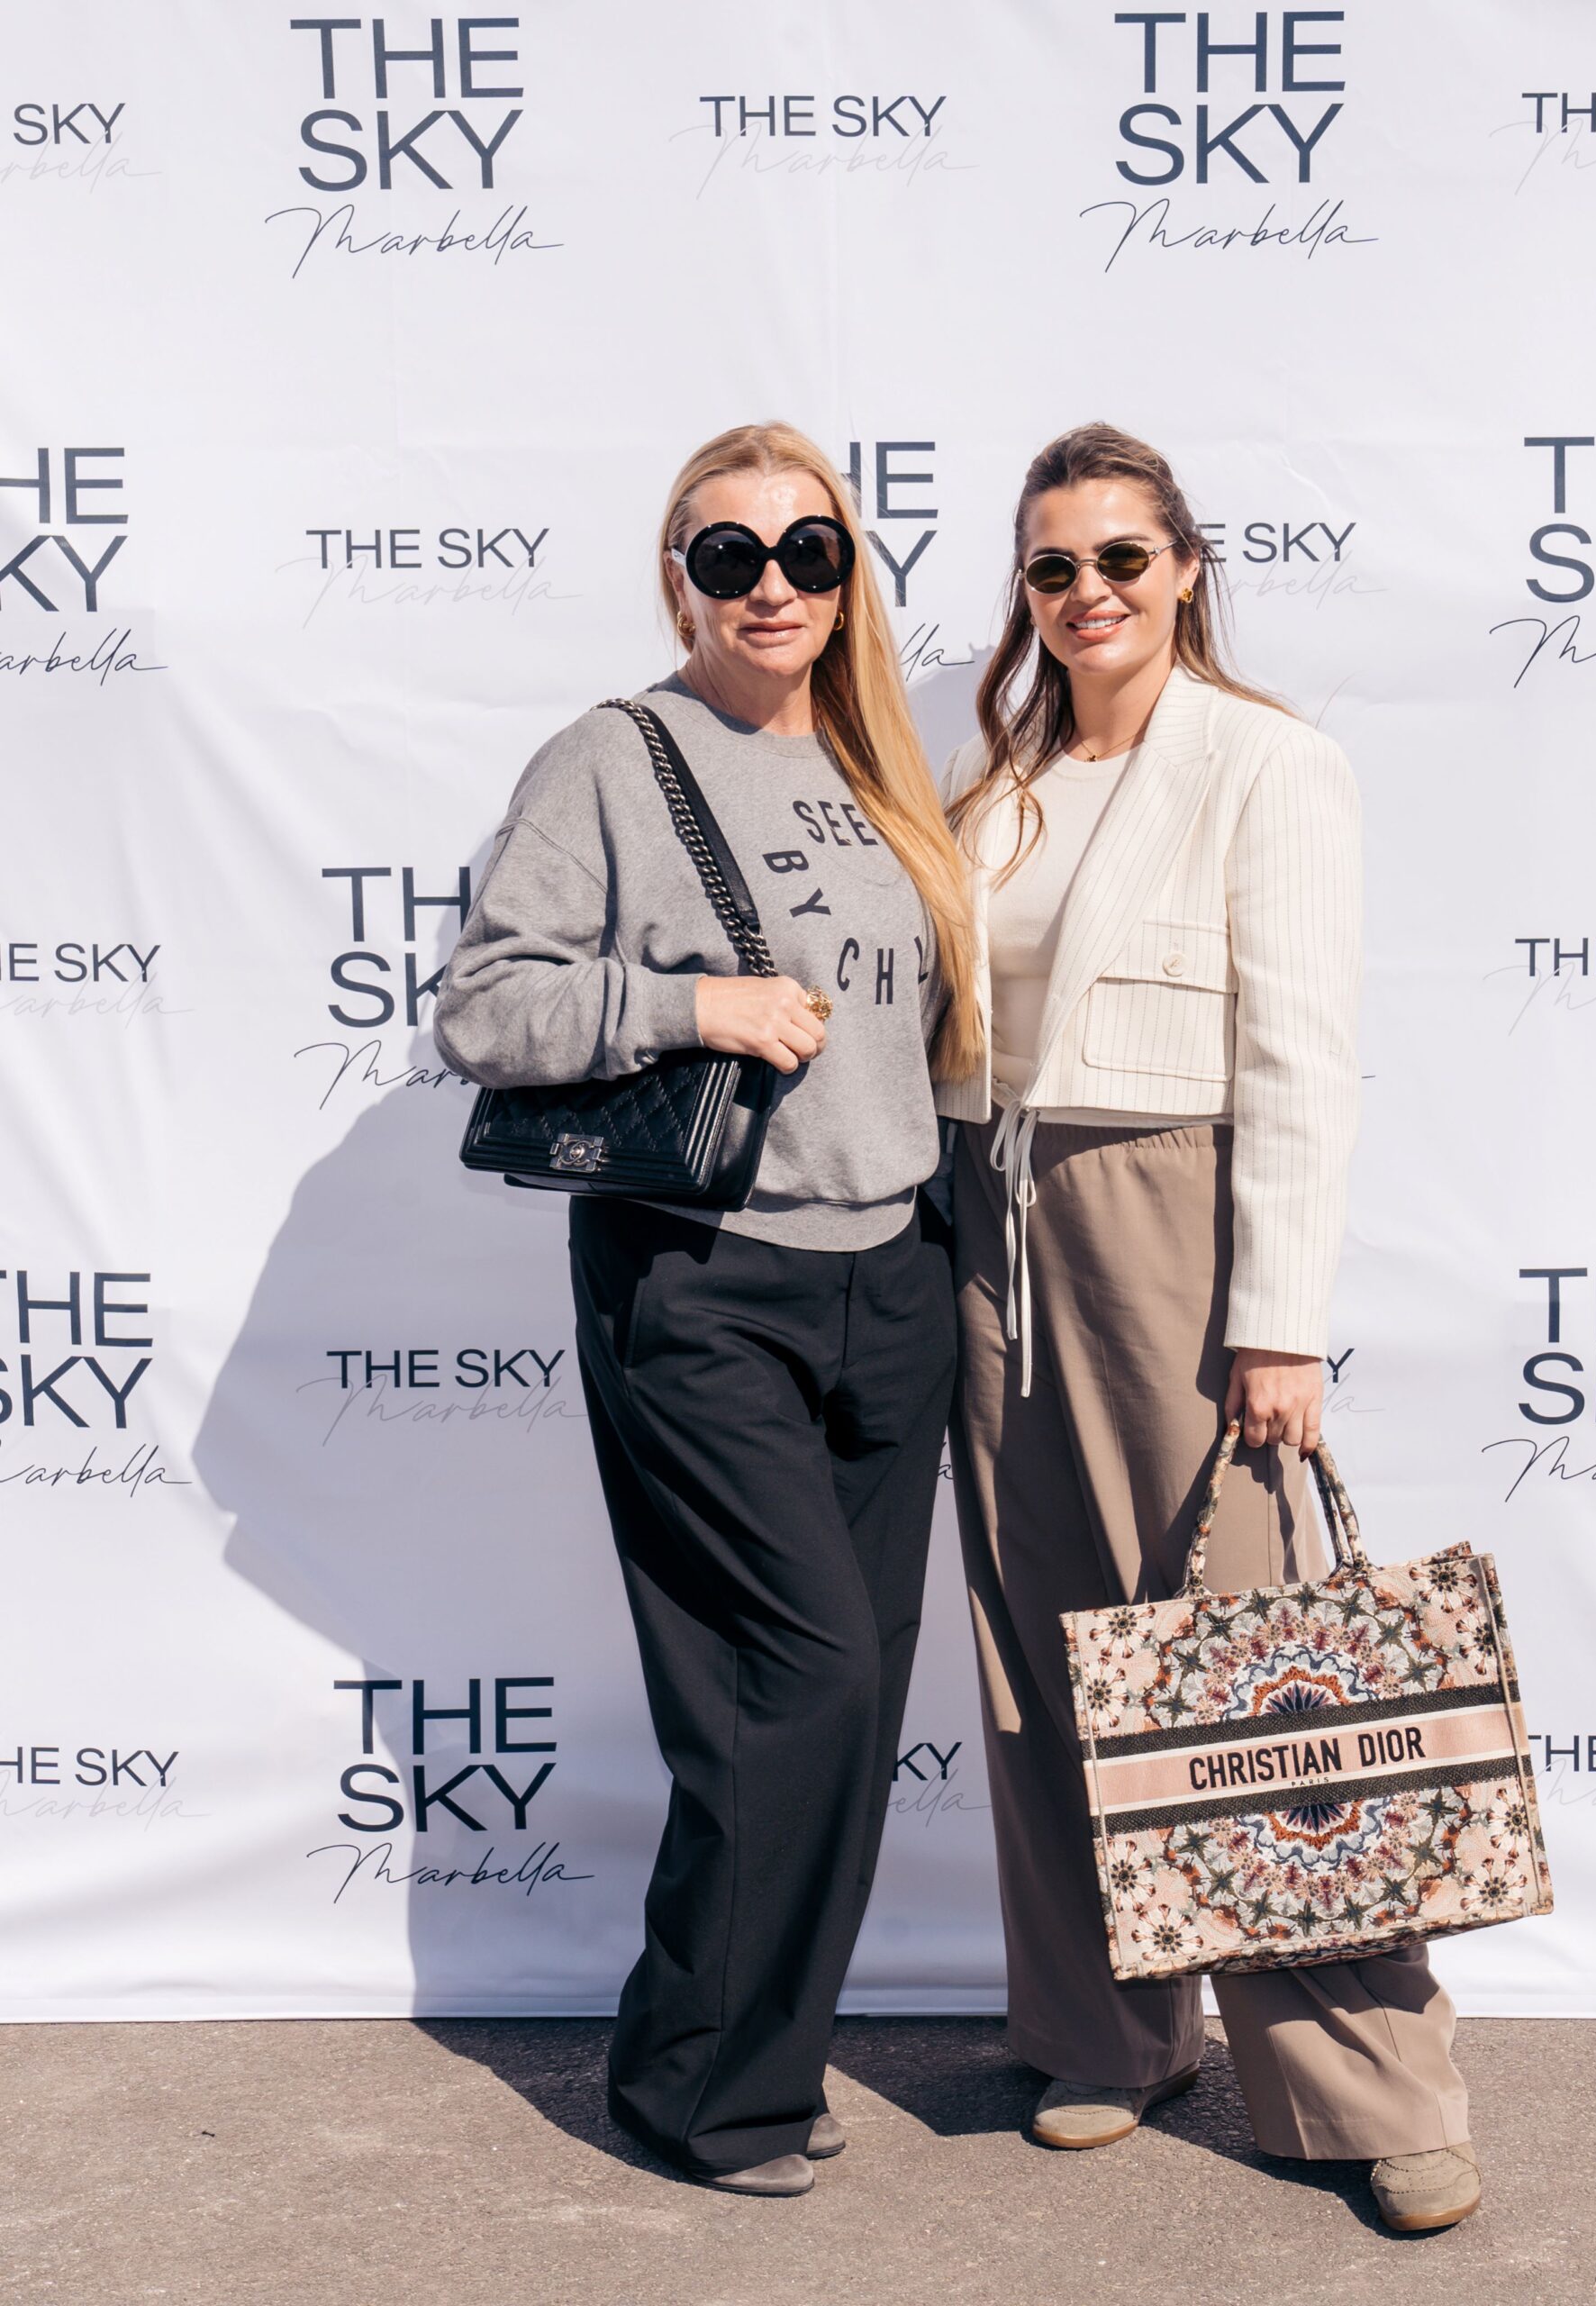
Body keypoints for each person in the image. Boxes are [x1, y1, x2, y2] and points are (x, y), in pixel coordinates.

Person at [939, 423, 1482, 2235]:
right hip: (993, 1227)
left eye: (1120, 557)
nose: (1086, 591)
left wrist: (1280, 1322)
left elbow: (1302, 1059)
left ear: (1184, 566)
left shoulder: (1269, 761)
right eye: (1052, 566)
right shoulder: (1000, 781)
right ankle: (1106, 2032)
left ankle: (1370, 2085)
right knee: (1044, 1652)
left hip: (1174, 1220)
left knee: (1250, 1669)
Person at [433, 422, 980, 2198]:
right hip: (704, 1270)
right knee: (792, 1682)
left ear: (847, 575)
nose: (770, 586)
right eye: (727, 554)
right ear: (678, 578)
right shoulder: (614, 756)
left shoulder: (886, 768)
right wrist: (691, 1007)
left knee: (853, 1700)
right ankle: (696, 2085)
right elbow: (482, 1008)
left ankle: (760, 2050)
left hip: (893, 1271)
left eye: (807, 552)